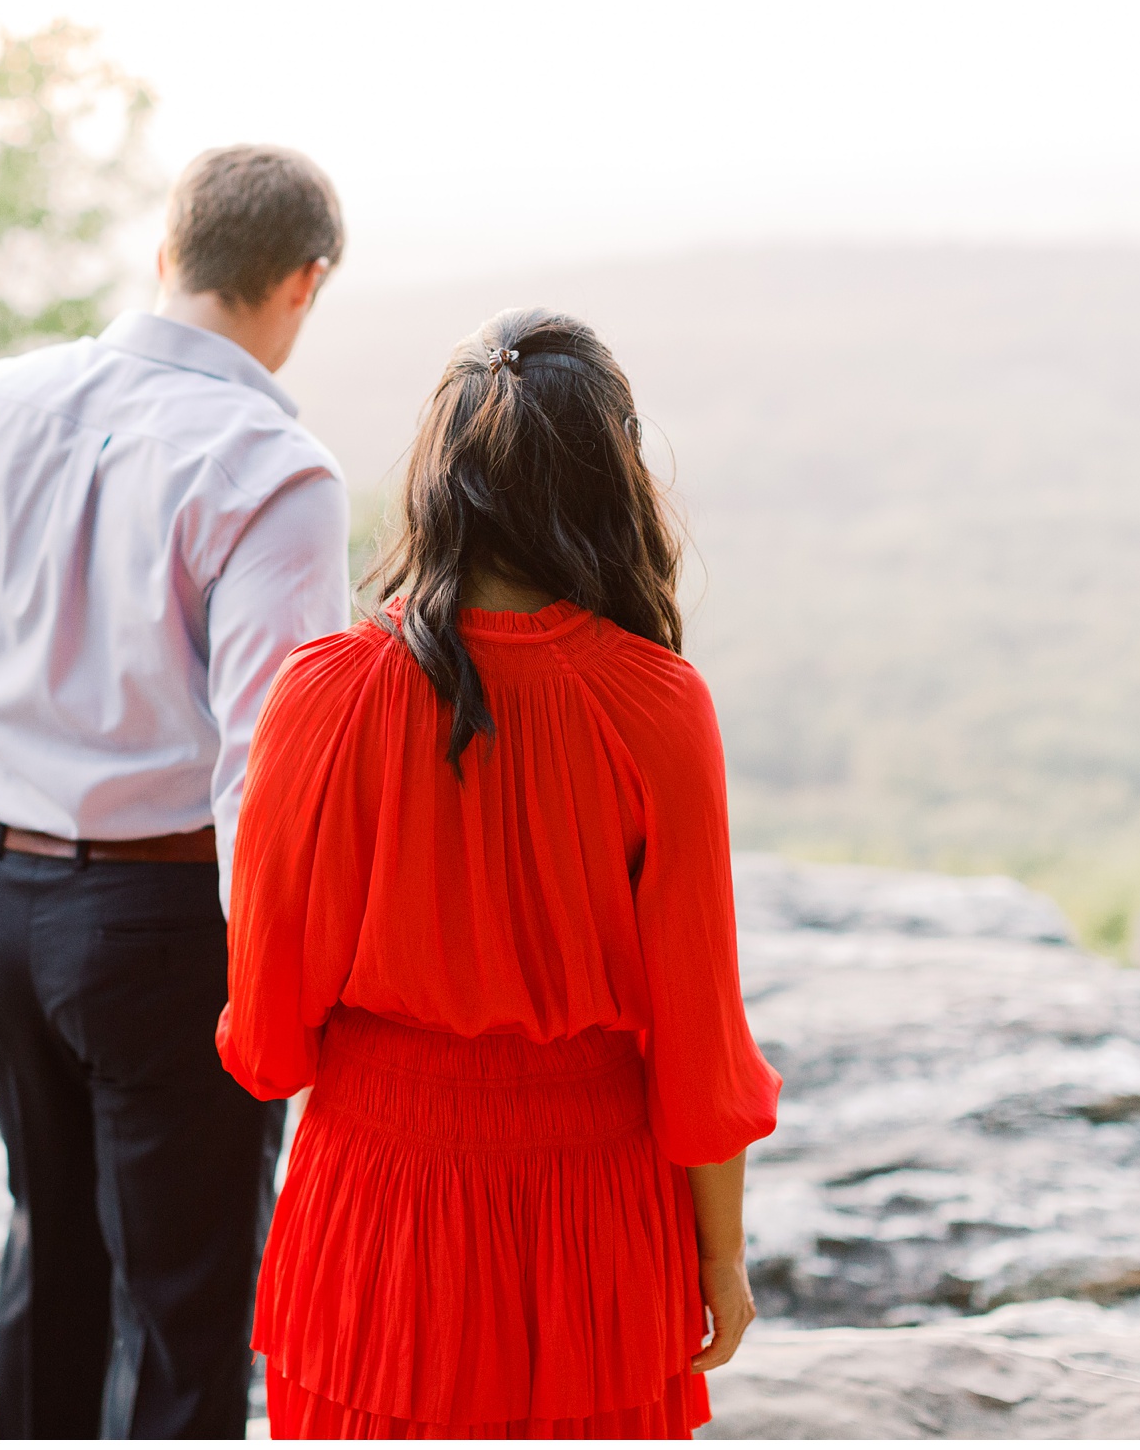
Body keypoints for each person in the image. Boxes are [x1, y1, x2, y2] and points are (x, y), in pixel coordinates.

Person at [0, 145, 352, 1439]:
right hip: (170, 931)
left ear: (165, 252)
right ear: (303, 285)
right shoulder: (274, 472)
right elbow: (266, 759)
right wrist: (283, 977)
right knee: (192, 1308)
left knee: (53, 1249)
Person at [217, 308, 783, 1438]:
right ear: (606, 480)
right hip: (595, 1223)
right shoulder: (657, 707)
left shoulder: (321, 694)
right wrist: (719, 1255)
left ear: (438, 474)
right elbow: (697, 1035)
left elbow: (267, 1040)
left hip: (374, 1216)